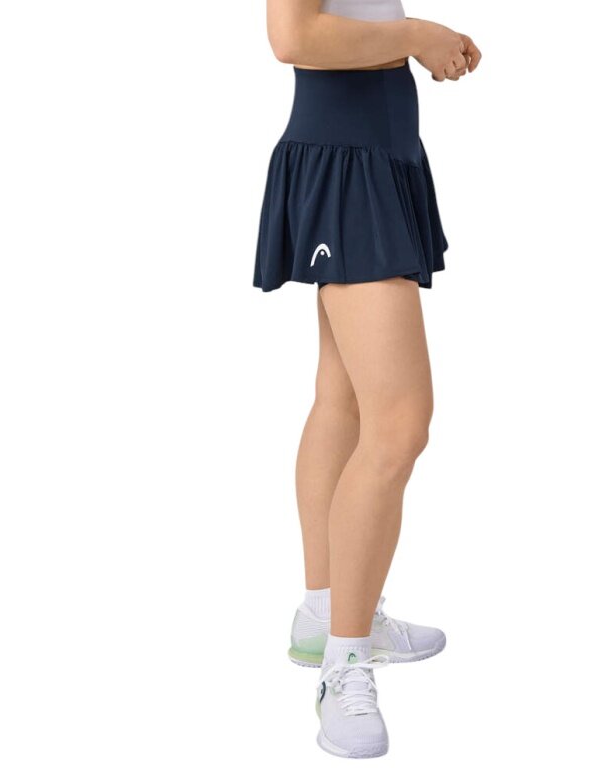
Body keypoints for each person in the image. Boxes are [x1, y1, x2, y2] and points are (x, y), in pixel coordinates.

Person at [253, 0, 481, 758]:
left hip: (377, 147)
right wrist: (416, 36)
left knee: (344, 398)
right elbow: (293, 36)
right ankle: (345, 664)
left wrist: (422, 39)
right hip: (347, 156)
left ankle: (327, 612)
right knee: (400, 424)